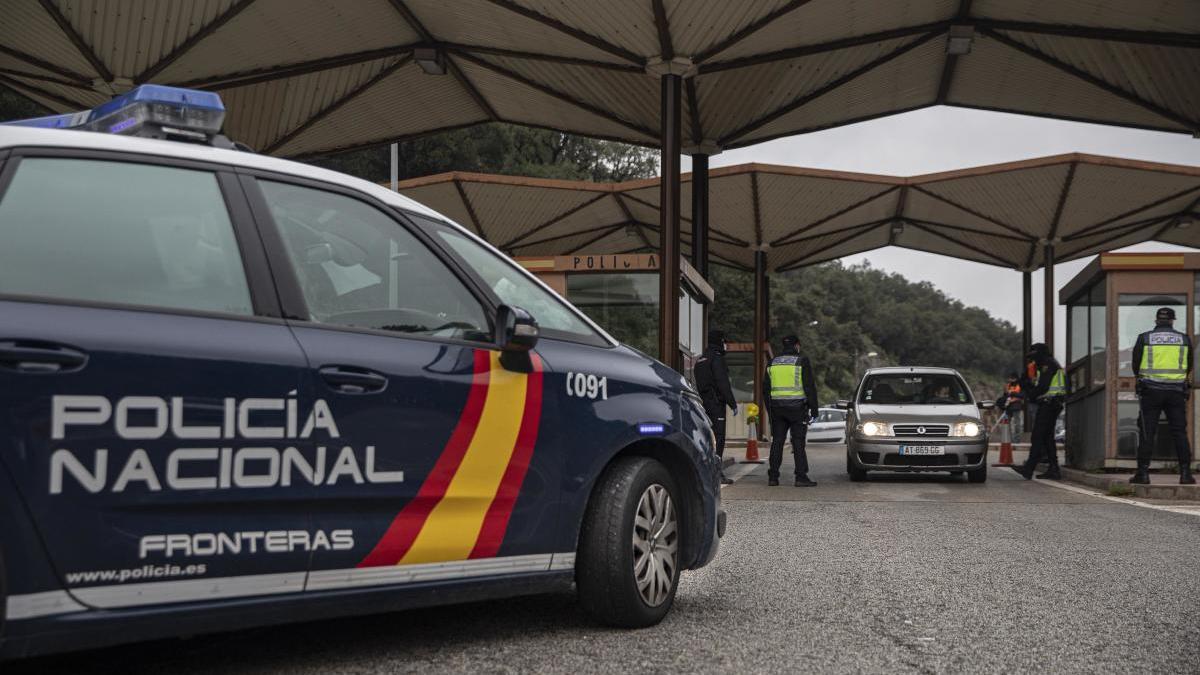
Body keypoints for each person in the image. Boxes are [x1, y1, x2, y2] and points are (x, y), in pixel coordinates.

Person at [1131, 307, 1195, 485]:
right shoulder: (1184, 339)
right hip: (1176, 392)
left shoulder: (1144, 338)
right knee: (1179, 433)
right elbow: (1189, 365)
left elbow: (1136, 365)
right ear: (1172, 321)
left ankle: (1142, 474)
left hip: (1151, 391)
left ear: (1156, 320)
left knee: (1147, 432)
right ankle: (1185, 474)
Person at [764, 334, 819, 487]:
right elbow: (809, 387)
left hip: (777, 409)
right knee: (798, 443)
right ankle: (801, 477)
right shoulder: (801, 361)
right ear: (797, 345)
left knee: (778, 442)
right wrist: (814, 410)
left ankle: (773, 477)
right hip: (797, 409)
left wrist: (770, 411)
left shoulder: (772, 362)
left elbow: (765, 389)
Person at [1013, 343, 1065, 480]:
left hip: (1050, 404)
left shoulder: (1048, 365)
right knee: (1047, 438)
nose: (1032, 360)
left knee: (1037, 436)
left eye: (1034, 357)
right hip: (1051, 403)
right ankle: (1054, 469)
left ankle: (1029, 468)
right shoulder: (1047, 364)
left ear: (1040, 354)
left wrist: (1030, 393)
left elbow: (1043, 387)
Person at [694, 329, 738, 485]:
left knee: (707, 437)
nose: (725, 344)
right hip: (716, 404)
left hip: (703, 403)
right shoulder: (717, 359)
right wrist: (732, 403)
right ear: (719, 341)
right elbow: (722, 383)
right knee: (718, 438)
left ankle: (705, 471)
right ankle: (717, 474)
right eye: (724, 341)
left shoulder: (701, 360)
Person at [995, 372, 1025, 437]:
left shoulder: (1020, 385)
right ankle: (1008, 437)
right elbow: (1005, 395)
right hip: (1008, 406)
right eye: (1010, 378)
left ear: (1016, 378)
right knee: (1007, 423)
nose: (1010, 380)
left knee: (1016, 423)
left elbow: (1022, 395)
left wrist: (1012, 393)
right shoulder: (1008, 385)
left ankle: (1017, 438)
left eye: (1012, 378)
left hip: (1016, 405)